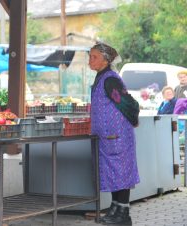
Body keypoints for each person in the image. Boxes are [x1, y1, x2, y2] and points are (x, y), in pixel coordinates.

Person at [89, 42, 140, 225]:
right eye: (90, 56)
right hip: (107, 137)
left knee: (121, 171)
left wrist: (133, 120)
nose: (90, 60)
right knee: (112, 172)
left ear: (106, 60)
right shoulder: (101, 77)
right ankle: (115, 209)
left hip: (117, 136)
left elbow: (128, 103)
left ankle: (123, 214)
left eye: (94, 57)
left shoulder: (110, 79)